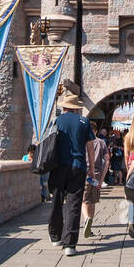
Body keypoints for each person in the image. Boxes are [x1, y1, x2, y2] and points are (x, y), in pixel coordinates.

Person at [48, 91, 94, 255]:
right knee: (74, 204)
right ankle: (70, 245)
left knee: (57, 201)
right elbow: (89, 147)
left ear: (65, 107)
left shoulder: (56, 121)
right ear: (76, 108)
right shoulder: (84, 121)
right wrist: (92, 168)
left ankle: (55, 236)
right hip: (78, 166)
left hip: (58, 166)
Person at [81, 131, 110, 238]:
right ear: (96, 131)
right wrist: (102, 179)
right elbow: (107, 161)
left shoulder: (82, 141)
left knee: (83, 200)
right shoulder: (101, 142)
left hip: (85, 173)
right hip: (97, 175)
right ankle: (90, 225)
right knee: (93, 200)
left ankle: (86, 219)